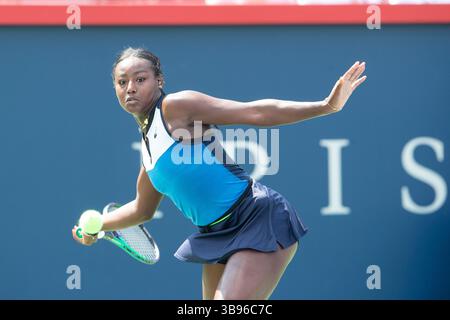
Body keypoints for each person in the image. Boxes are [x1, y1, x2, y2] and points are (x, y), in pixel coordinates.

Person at [72, 47, 367, 300]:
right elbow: (141, 208)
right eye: (122, 82)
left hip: (256, 218)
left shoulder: (176, 107)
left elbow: (255, 112)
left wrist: (325, 106)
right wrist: (96, 227)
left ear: (159, 81)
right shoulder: (148, 152)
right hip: (214, 235)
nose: (130, 88)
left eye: (140, 79)